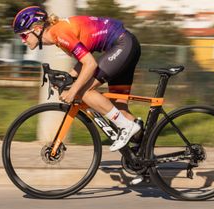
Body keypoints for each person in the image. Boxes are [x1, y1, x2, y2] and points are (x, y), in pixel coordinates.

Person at [12, 6, 141, 152]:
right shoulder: (58, 33)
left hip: (122, 45)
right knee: (120, 110)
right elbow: (83, 58)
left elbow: (90, 63)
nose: (23, 41)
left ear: (36, 29)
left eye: (23, 35)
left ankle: (127, 126)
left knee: (85, 92)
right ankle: (145, 158)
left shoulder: (58, 34)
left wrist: (73, 91)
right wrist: (69, 77)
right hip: (126, 45)